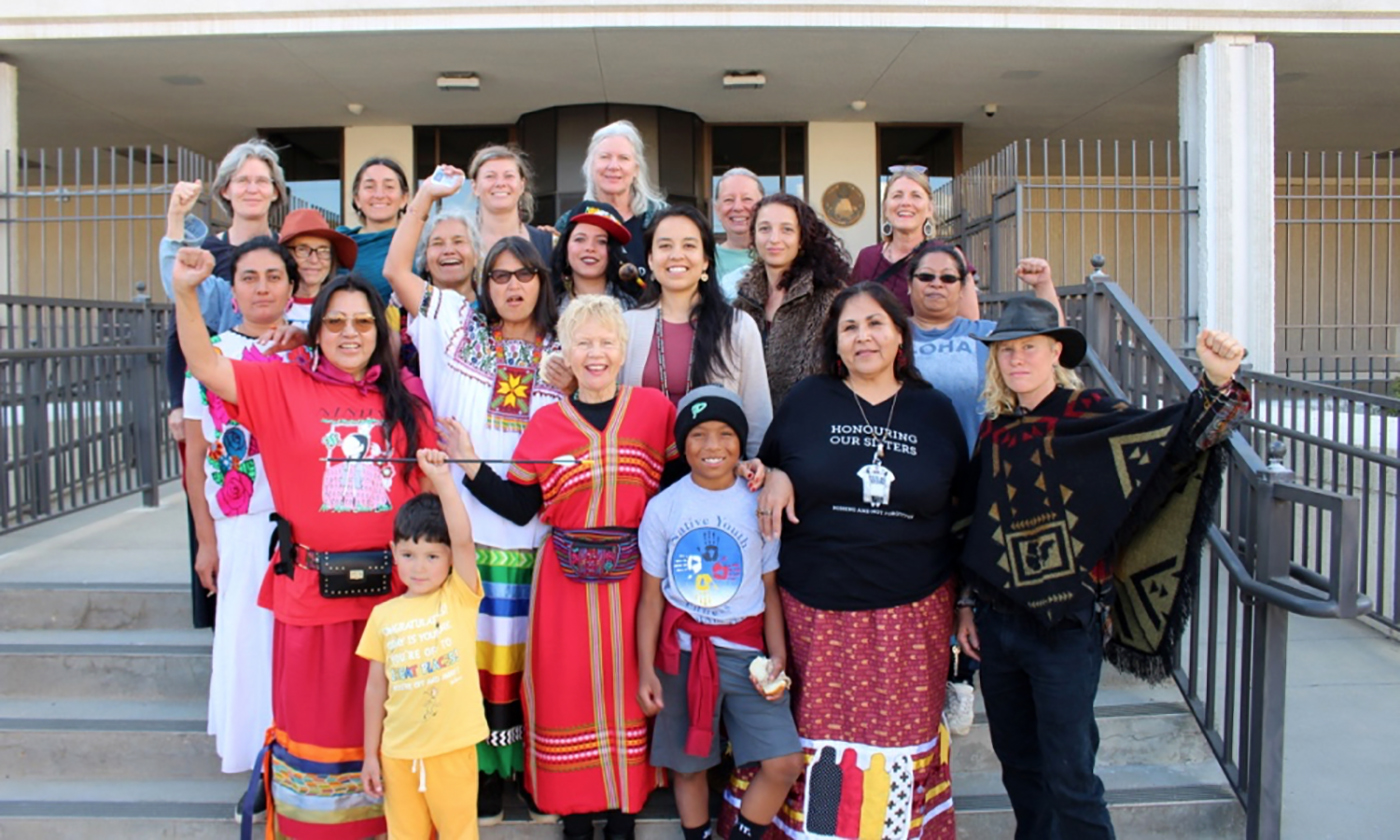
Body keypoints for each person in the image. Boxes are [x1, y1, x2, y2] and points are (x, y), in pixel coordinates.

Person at [954, 298, 1249, 840]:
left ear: (1055, 352)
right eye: (1006, 350)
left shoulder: (1090, 415)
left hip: (1066, 625)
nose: (1016, 359)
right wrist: (968, 604)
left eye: (1028, 348)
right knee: (1020, 770)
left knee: (1071, 775)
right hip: (998, 627)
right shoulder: (995, 428)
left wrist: (1216, 384)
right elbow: (975, 523)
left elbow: (1174, 443)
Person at [172, 250, 434, 839]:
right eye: (335, 321)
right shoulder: (280, 381)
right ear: (315, 330)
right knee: (317, 739)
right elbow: (207, 365)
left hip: (391, 606)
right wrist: (186, 293)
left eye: (363, 322)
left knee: (391, 740)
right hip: (311, 598)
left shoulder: (408, 401)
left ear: (381, 332)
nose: (349, 333)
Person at [726, 282, 967, 840]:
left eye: (876, 323)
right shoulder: (809, 399)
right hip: (816, 612)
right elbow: (760, 470)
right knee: (822, 750)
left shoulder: (935, 411)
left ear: (899, 337)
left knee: (896, 747)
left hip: (912, 615)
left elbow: (963, 503)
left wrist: (968, 602)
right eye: (850, 327)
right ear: (835, 344)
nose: (864, 337)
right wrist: (776, 475)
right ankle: (823, 832)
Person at [449, 295, 675, 839]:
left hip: (631, 581)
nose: (595, 353)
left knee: (626, 689)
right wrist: (470, 464)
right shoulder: (547, 422)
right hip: (563, 580)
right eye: (583, 343)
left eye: (606, 342)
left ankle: (623, 817)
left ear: (624, 350)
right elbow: (522, 506)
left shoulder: (654, 411)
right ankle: (574, 817)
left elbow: (676, 491)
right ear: (566, 355)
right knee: (564, 688)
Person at [386, 191, 564, 824]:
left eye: (526, 275)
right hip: (460, 536)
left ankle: (529, 777)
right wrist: (426, 200)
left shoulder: (563, 358)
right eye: (500, 275)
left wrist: (473, 463)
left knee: (520, 668)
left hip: (531, 539)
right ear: (483, 283)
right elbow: (397, 269)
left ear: (544, 283)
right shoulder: (456, 323)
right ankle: (482, 780)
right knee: (466, 665)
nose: (513, 286)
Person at [637, 386, 803, 840]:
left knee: (784, 762)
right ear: (682, 444)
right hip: (684, 653)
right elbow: (652, 596)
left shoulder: (758, 501)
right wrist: (646, 670)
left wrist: (778, 654)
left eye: (726, 434)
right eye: (699, 435)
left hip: (747, 654)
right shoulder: (664, 507)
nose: (712, 446)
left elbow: (769, 589)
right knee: (688, 767)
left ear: (742, 442)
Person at [161, 139, 290, 630]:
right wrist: (180, 400)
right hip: (216, 398)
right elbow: (181, 325)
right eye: (243, 180)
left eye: (262, 180)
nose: (262, 286)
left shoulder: (290, 251)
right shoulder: (206, 256)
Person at [182, 237, 296, 785]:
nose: (263, 288)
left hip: (306, 521)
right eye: (250, 277)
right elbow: (196, 455)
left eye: (274, 276)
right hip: (244, 523)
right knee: (250, 649)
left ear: (292, 287)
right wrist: (206, 540)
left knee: (298, 654)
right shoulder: (213, 352)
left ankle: (305, 767)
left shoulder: (310, 349)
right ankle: (260, 771)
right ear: (234, 288)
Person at [359, 448, 486, 840]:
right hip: (397, 755)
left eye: (432, 555)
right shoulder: (384, 615)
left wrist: (444, 480)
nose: (419, 566)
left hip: (452, 752)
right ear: (394, 553)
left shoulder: (459, 597)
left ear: (449, 560)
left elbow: (463, 541)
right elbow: (374, 688)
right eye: (409, 554)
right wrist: (370, 755)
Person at [622, 205, 772, 458]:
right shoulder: (626, 326)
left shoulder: (737, 326)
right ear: (650, 258)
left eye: (689, 246)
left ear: (705, 260)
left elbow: (758, 417)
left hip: (717, 475)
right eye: (665, 246)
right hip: (642, 472)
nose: (676, 255)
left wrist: (760, 467)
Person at [908, 244, 1061, 453]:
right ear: (909, 284)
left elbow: (1050, 341)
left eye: (948, 278)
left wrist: (1043, 285)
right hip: (908, 471)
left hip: (979, 467)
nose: (937, 284)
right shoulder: (889, 334)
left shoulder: (989, 334)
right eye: (926, 276)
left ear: (962, 289)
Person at [732, 193, 848, 408]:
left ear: (801, 238)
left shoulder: (831, 296)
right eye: (765, 228)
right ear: (754, 236)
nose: (774, 239)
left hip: (810, 425)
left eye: (787, 229)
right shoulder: (742, 301)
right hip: (753, 428)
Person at [555, 120, 667, 275]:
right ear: (591, 166)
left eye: (623, 158)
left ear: (636, 169)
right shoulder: (569, 222)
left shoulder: (662, 217)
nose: (613, 166)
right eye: (605, 157)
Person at [850, 166, 940, 313]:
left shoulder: (948, 258)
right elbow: (852, 313)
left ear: (929, 209)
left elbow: (969, 325)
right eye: (897, 195)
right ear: (885, 207)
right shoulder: (867, 258)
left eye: (916, 196)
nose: (905, 203)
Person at [339, 157, 411, 304]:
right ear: (357, 199)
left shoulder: (418, 245)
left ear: (404, 199)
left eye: (389, 187)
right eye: (369, 187)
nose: (379, 195)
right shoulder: (339, 243)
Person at [550, 200, 645, 311]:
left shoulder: (635, 309)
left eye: (601, 241)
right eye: (580, 239)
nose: (590, 248)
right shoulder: (546, 309)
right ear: (565, 246)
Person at [470, 144, 555, 260]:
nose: (500, 183)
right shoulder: (460, 244)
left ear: (522, 185)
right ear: (474, 187)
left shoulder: (549, 243)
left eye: (509, 176)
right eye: (490, 176)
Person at [279, 208, 358, 327]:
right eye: (302, 250)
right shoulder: (269, 307)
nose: (314, 260)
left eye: (323, 250)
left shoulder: (344, 306)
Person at [712, 168, 765, 295]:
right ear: (717, 209)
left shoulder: (779, 255)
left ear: (764, 206)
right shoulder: (705, 260)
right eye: (728, 200)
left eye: (747, 199)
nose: (738, 207)